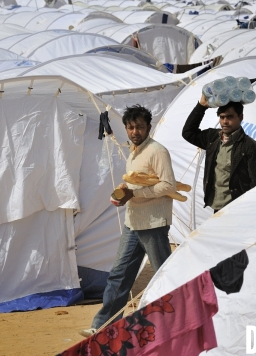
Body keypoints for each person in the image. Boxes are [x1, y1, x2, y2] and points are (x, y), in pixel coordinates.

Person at [80, 104, 176, 337]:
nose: (135, 131)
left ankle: (177, 321)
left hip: (153, 223)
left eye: (140, 127)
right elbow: (140, 182)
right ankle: (103, 326)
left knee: (165, 274)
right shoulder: (134, 151)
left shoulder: (157, 151)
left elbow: (168, 185)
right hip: (133, 222)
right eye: (131, 127)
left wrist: (136, 193)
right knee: (118, 275)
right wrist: (125, 191)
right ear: (126, 128)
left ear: (149, 127)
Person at [182, 93, 256, 213]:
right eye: (222, 117)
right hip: (217, 207)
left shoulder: (250, 147)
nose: (225, 122)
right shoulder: (213, 138)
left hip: (238, 209)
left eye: (230, 117)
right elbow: (188, 133)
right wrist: (201, 106)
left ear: (240, 117)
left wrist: (249, 211)